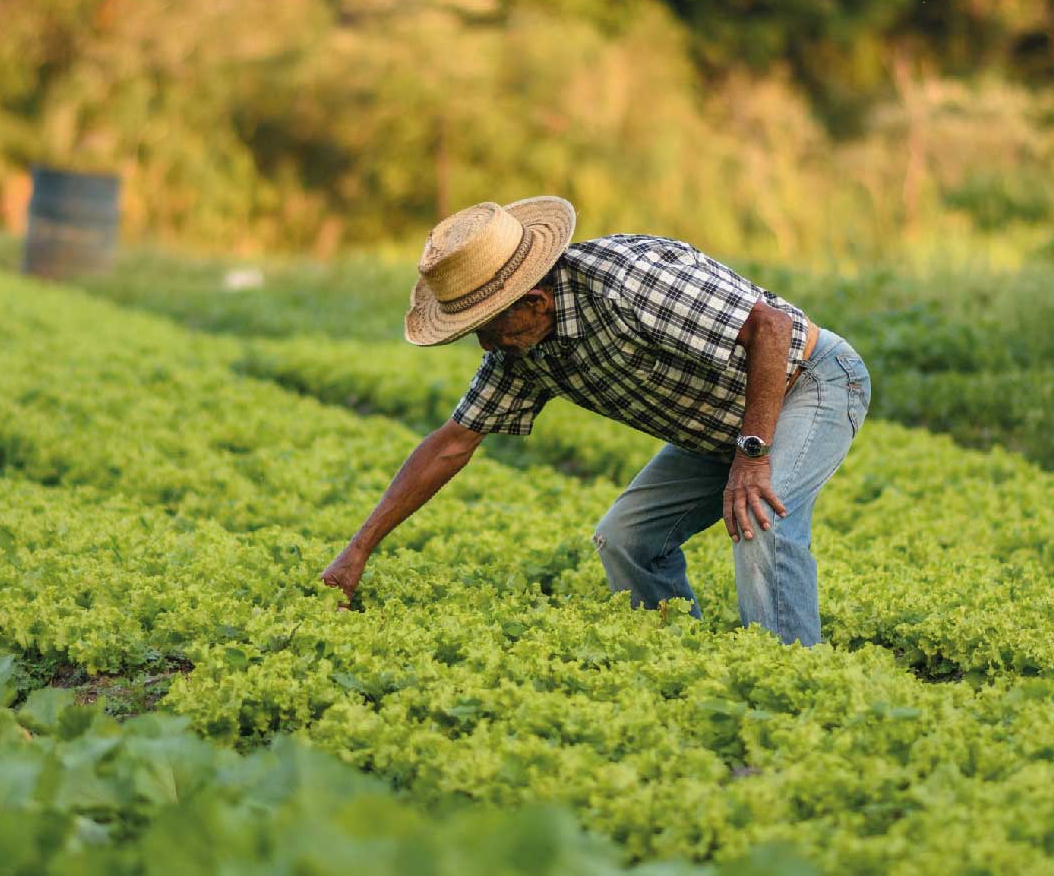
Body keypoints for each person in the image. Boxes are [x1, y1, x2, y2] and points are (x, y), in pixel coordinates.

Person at [320, 196, 869, 645]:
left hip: (808, 381)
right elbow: (453, 443)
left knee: (760, 522)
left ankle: (791, 684)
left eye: (489, 326)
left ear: (533, 300)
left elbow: (770, 328)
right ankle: (680, 657)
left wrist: (752, 455)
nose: (486, 344)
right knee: (626, 538)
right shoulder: (522, 349)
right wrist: (359, 549)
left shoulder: (630, 281)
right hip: (715, 420)